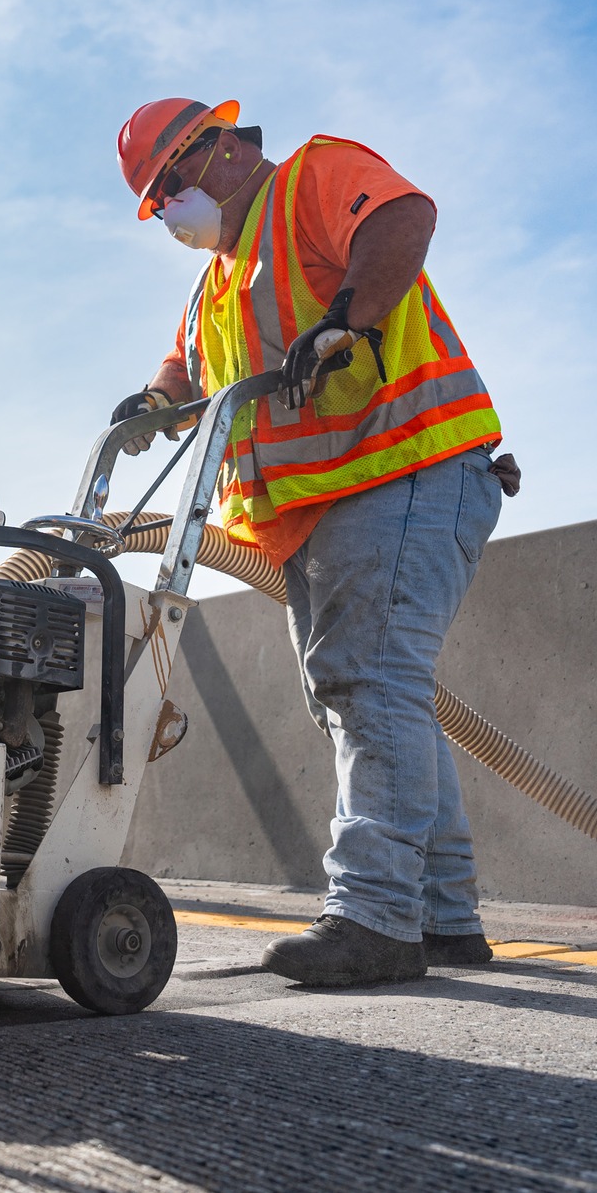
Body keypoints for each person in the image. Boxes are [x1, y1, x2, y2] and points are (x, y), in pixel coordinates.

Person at [111, 99, 522, 988]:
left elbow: (405, 216)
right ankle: (444, 918)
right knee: (377, 695)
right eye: (158, 201)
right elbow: (186, 362)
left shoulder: (310, 180)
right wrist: (152, 401)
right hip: (325, 510)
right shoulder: (218, 281)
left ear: (218, 151)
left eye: (172, 185)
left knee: (369, 686)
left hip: (405, 466)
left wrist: (350, 314)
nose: (171, 210)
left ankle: (374, 916)